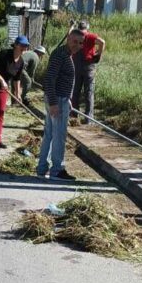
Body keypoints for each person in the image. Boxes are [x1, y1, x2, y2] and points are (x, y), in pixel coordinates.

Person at [37, 29, 85, 181]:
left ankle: (42, 168)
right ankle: (57, 170)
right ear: (68, 39)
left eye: (80, 43)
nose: (77, 45)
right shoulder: (61, 55)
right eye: (74, 41)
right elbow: (50, 79)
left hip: (60, 99)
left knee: (50, 134)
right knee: (59, 136)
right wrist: (53, 103)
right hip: (56, 99)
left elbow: (61, 79)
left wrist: (68, 99)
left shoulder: (65, 55)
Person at [71, 20, 105, 123]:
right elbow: (102, 42)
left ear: (79, 27)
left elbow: (69, 35)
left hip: (76, 65)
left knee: (75, 91)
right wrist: (99, 54)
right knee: (89, 92)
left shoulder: (75, 36)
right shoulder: (90, 36)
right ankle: (88, 119)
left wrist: (71, 26)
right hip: (89, 66)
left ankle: (74, 115)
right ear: (87, 27)